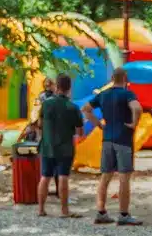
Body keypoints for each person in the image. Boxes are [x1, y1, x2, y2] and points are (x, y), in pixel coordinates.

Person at [83, 68, 143, 226]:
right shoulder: (127, 94)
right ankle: (123, 214)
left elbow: (86, 109)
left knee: (105, 176)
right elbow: (137, 108)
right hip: (123, 139)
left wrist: (98, 124)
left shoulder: (103, 94)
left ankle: (101, 212)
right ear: (125, 79)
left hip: (107, 139)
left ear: (111, 78)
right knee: (124, 177)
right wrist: (134, 123)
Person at [36, 73, 83, 219]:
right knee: (63, 177)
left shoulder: (46, 104)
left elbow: (39, 124)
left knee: (45, 177)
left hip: (47, 147)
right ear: (69, 88)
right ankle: (64, 210)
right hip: (65, 148)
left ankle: (41, 209)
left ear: (56, 86)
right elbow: (80, 132)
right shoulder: (73, 107)